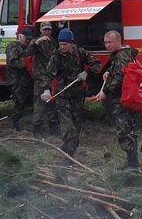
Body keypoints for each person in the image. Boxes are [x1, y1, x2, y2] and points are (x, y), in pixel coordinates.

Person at [43, 28, 101, 156]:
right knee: (68, 127)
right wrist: (46, 89)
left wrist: (86, 72)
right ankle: (68, 155)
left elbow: (97, 65)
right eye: (60, 44)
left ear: (71, 43)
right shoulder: (56, 56)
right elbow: (48, 74)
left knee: (77, 126)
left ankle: (69, 150)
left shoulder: (81, 53)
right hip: (62, 95)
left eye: (65, 44)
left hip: (77, 95)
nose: (62, 47)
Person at [93, 30, 142, 171]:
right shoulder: (124, 55)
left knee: (124, 130)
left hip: (123, 100)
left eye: (110, 42)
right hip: (127, 98)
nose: (107, 45)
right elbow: (120, 73)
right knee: (128, 129)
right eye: (106, 42)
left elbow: (119, 79)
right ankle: (132, 162)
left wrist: (105, 92)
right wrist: (110, 72)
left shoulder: (121, 56)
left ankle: (133, 164)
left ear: (118, 41)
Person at [27, 21, 59, 139]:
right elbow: (28, 52)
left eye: (49, 29)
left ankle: (53, 127)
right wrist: (36, 43)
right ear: (40, 30)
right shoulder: (35, 42)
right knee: (39, 104)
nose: (47, 31)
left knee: (52, 103)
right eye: (45, 29)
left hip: (51, 78)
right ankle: (37, 129)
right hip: (41, 78)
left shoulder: (53, 42)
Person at [4, 26, 34, 131]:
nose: (28, 41)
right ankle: (14, 124)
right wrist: (26, 62)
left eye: (30, 39)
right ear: (20, 36)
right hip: (17, 81)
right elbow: (13, 62)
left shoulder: (27, 47)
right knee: (19, 103)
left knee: (29, 101)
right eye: (26, 38)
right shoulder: (13, 47)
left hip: (27, 80)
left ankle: (27, 123)